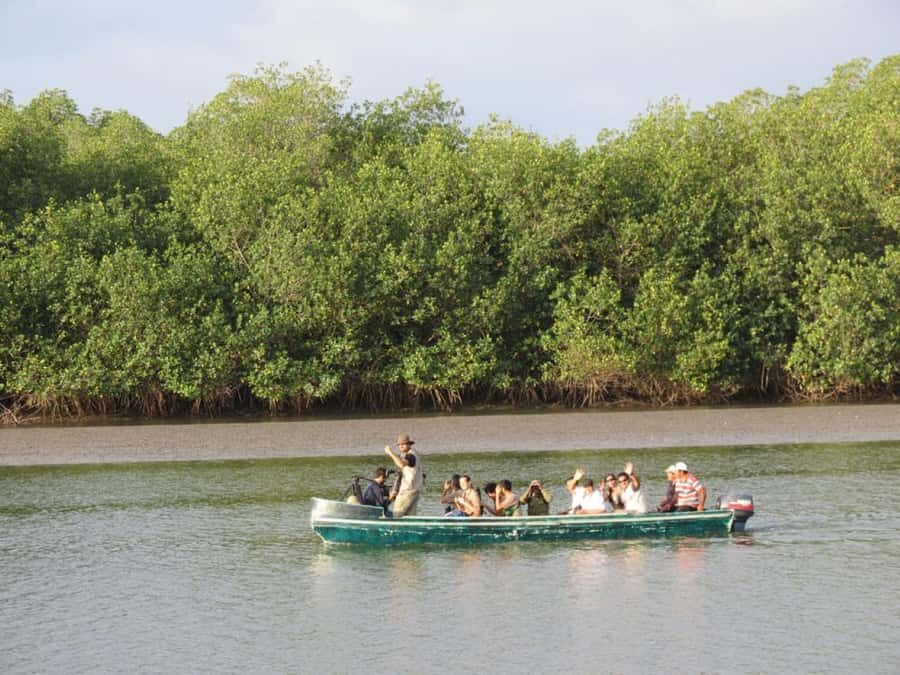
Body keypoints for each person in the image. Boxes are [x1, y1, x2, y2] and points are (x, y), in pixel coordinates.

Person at [384, 433, 423, 517]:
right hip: (414, 491)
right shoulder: (408, 455)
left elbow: (401, 464)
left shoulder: (411, 456)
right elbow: (400, 464)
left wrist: (390, 452)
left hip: (407, 491)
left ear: (409, 444)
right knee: (410, 517)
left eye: (403, 444)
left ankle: (394, 530)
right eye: (399, 445)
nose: (401, 446)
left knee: (396, 514)